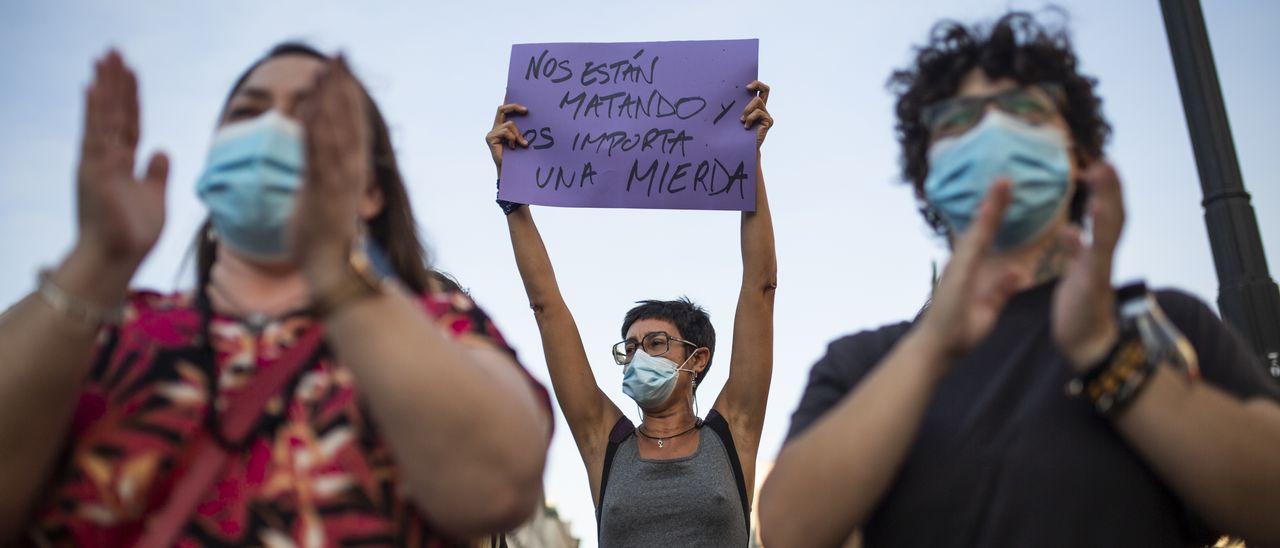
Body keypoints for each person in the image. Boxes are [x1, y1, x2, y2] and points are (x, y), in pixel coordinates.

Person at [760, 12, 1280, 547]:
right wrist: (932, 346)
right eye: (957, 121)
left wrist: (1107, 356)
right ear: (926, 174)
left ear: (1077, 156)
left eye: (1025, 110)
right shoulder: (863, 363)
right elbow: (789, 533)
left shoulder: (1165, 325)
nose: (993, 131)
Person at [0, 44, 552, 545]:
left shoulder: (438, 326)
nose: (273, 129)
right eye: (248, 112)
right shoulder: (101, 328)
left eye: (313, 116)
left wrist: (336, 272)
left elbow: (499, 489)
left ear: (371, 191)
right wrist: (97, 260)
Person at [485, 81, 776, 546]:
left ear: (697, 358)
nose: (640, 355)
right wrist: (511, 189)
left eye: (656, 343)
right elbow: (548, 309)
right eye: (632, 346)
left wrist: (749, 161)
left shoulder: (732, 432)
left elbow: (759, 290)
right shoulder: (606, 442)